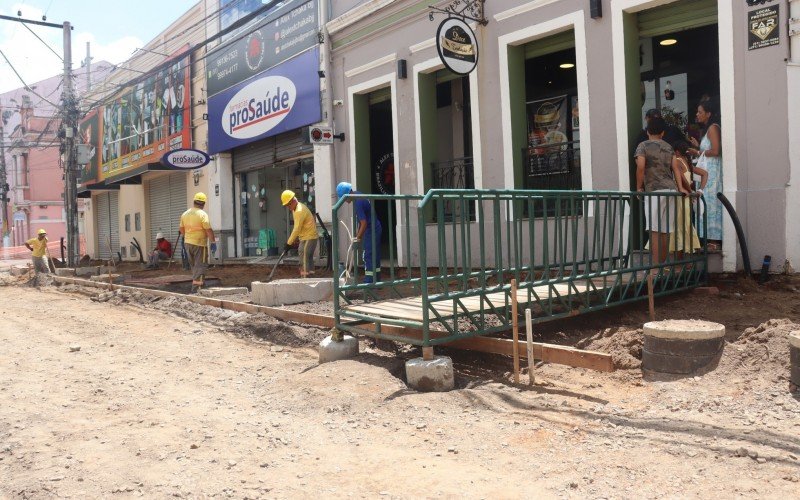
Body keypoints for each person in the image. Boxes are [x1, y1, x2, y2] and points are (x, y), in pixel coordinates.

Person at [635, 117, 689, 264]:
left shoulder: (643, 146)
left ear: (647, 131)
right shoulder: (668, 147)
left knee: (654, 230)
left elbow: (640, 167)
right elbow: (676, 169)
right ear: (663, 132)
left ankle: (656, 266)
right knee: (665, 230)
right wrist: (680, 187)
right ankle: (662, 265)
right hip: (670, 190)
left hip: (654, 191)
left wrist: (639, 187)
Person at [687, 99, 723, 251]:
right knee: (704, 204)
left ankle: (714, 241)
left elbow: (716, 151)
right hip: (708, 173)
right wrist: (697, 146)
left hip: (712, 175)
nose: (697, 114)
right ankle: (708, 240)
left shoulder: (713, 128)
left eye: (700, 112)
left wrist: (697, 152)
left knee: (711, 206)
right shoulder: (708, 130)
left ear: (708, 114)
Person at [337, 182, 382, 283]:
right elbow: (362, 223)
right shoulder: (359, 194)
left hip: (371, 230)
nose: (344, 201)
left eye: (343, 198)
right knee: (375, 256)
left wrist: (357, 239)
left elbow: (364, 223)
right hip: (375, 227)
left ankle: (368, 283)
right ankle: (377, 282)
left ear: (346, 195)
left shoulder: (358, 203)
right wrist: (358, 236)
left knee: (368, 256)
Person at [669, 141, 708, 258]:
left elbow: (681, 177)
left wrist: (690, 191)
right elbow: (705, 173)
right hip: (686, 199)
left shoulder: (678, 161)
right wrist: (700, 190)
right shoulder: (687, 162)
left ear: (676, 152)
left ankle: (679, 260)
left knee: (678, 226)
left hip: (681, 198)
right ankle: (685, 260)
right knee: (684, 225)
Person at [179, 192, 216, 292]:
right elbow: (208, 230)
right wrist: (213, 242)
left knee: (194, 267)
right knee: (200, 266)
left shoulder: (185, 214)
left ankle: (198, 285)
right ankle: (197, 290)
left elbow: (181, 230)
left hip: (188, 243)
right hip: (200, 244)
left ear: (194, 201)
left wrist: (188, 237)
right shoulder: (202, 214)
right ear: (203, 203)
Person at [281, 189, 318, 278]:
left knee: (304, 259)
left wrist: (289, 243)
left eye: (288, 205)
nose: (288, 207)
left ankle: (305, 279)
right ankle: (311, 277)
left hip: (309, 237)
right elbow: (299, 228)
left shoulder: (299, 210)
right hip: (308, 237)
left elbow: (296, 229)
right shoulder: (296, 208)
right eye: (286, 205)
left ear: (293, 201)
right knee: (308, 259)